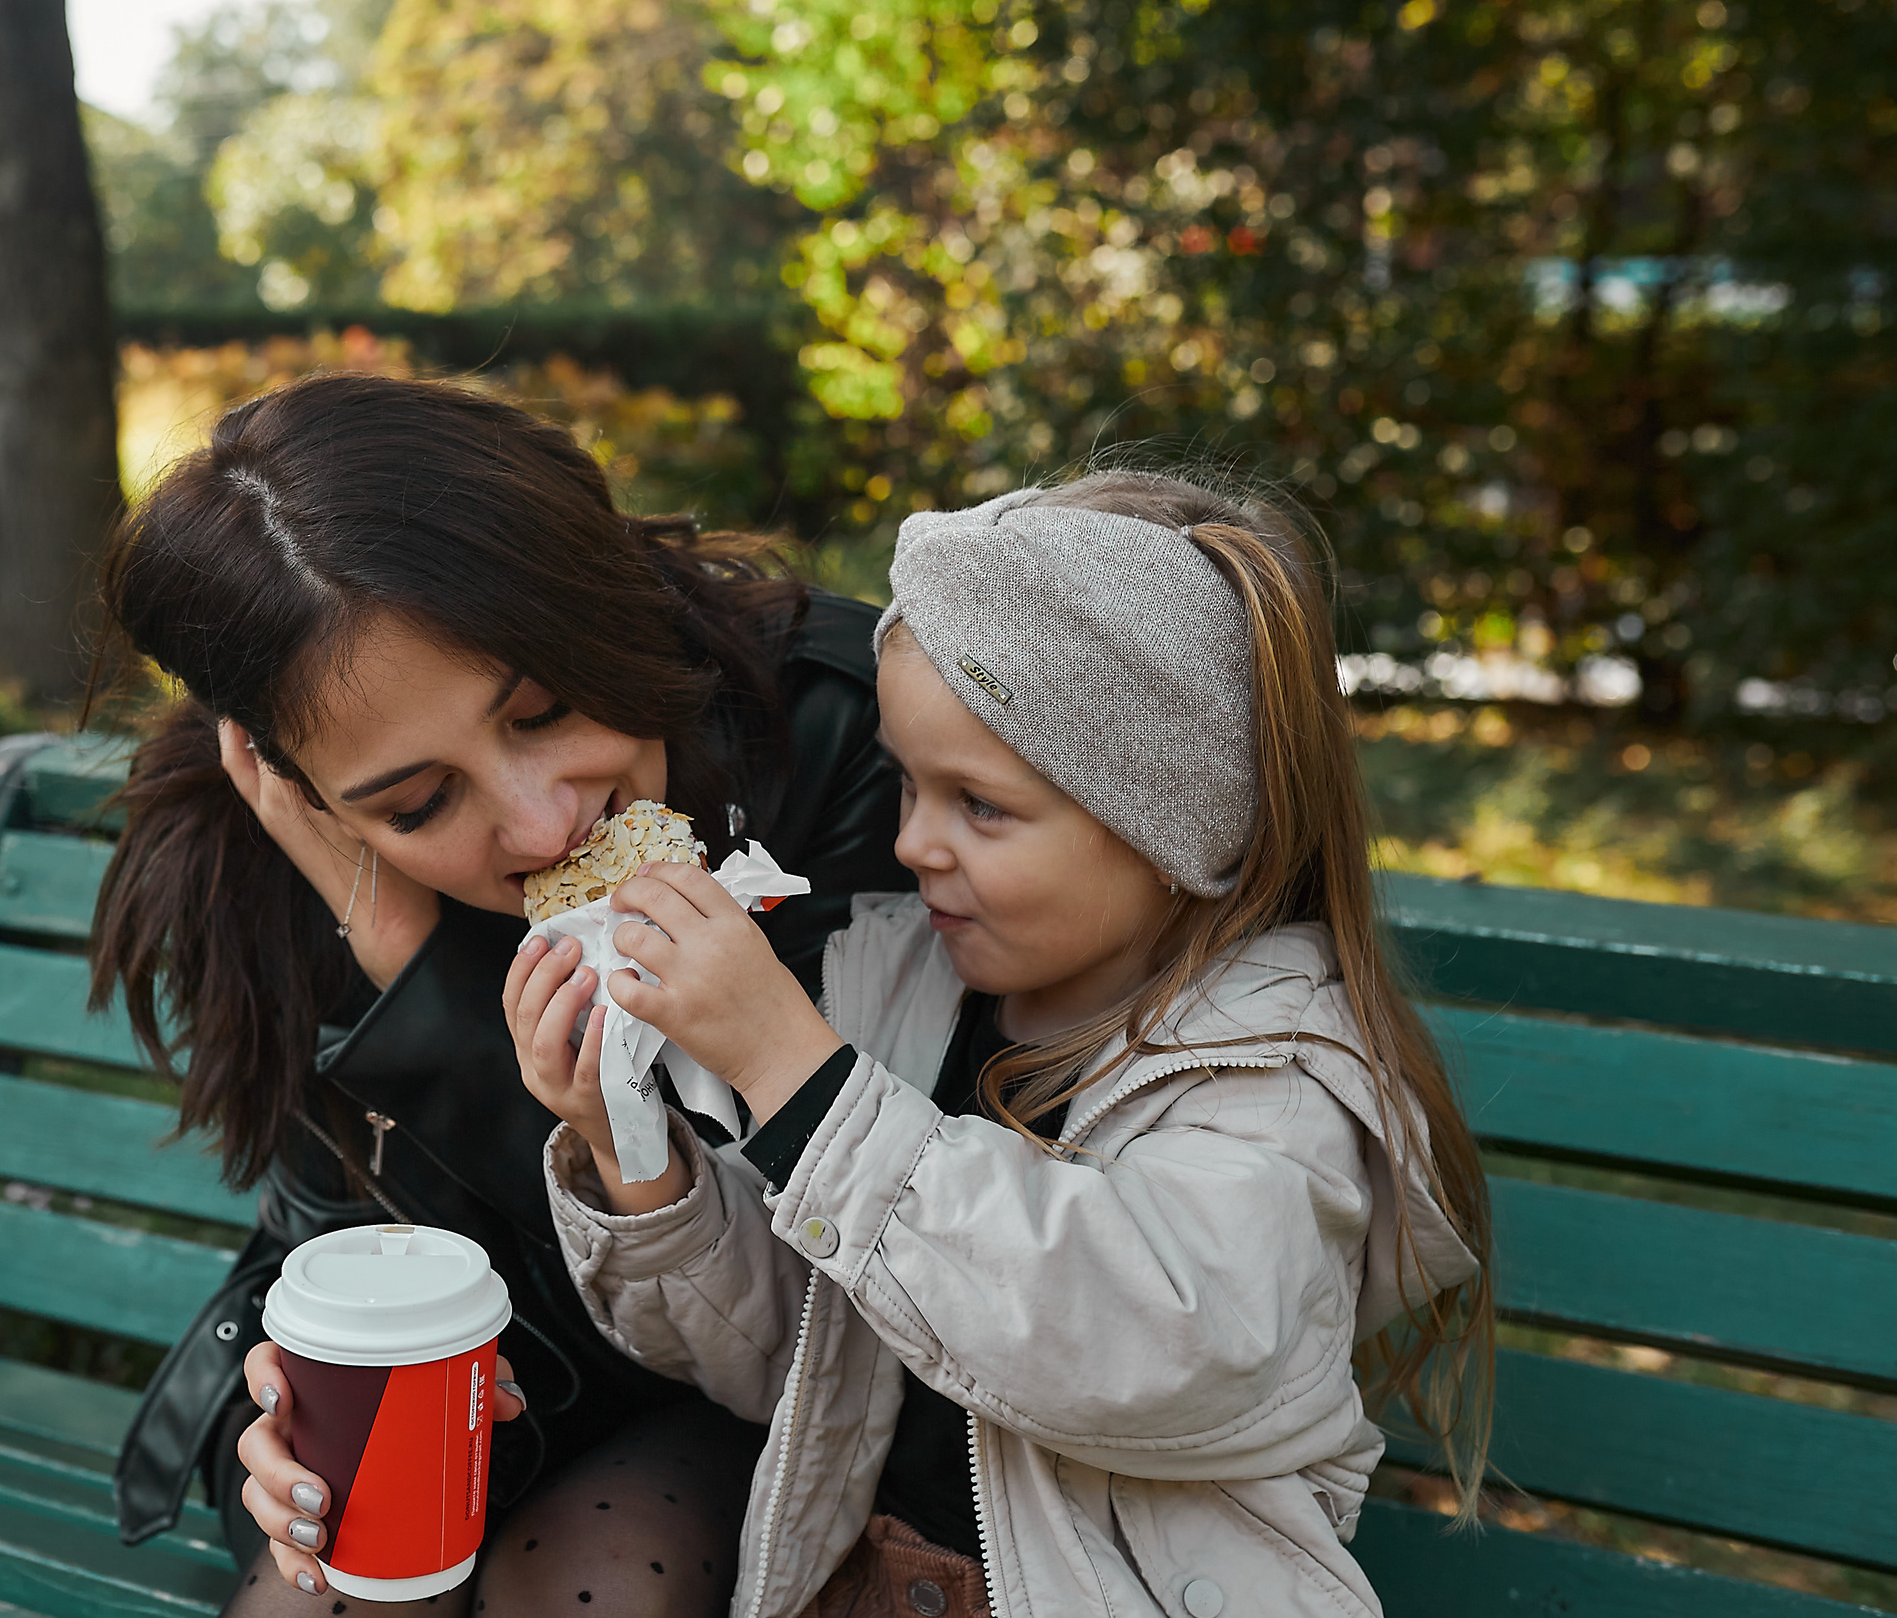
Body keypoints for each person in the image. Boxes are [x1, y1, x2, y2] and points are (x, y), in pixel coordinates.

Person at [505, 467, 1495, 1617]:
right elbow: (793, 1355)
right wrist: (630, 1151)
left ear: (1169, 826)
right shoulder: (899, 994)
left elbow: (1148, 1346)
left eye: (980, 805)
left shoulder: (1273, 1075)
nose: (912, 842)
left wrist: (797, 1078)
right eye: (905, 783)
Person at [85, 372, 914, 1613]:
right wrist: (275, 1431)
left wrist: (435, 988)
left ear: (601, 599)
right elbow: (328, 1254)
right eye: (417, 805)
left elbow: (816, 1297)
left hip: (788, 1387)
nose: (542, 819)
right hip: (507, 1389)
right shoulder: (264, 868)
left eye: (544, 707)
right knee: (338, 1579)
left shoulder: (849, 741)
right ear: (299, 793)